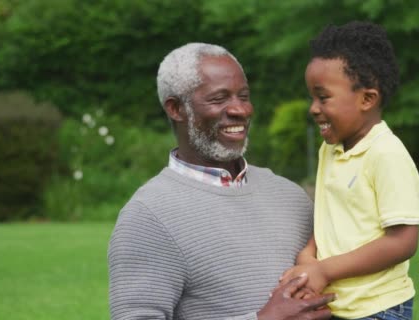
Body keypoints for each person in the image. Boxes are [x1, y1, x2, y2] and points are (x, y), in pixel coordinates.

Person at [108, 43, 335, 320]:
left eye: (244, 96)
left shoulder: (290, 196)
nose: (240, 110)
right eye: (219, 99)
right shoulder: (148, 216)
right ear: (176, 108)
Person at [278, 22, 419, 320]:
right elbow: (331, 213)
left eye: (323, 97)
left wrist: (324, 269)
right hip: (338, 306)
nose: (313, 108)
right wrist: (309, 254)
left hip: (379, 309)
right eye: (311, 98)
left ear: (367, 99)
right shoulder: (329, 149)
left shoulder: (386, 154)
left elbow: (403, 241)